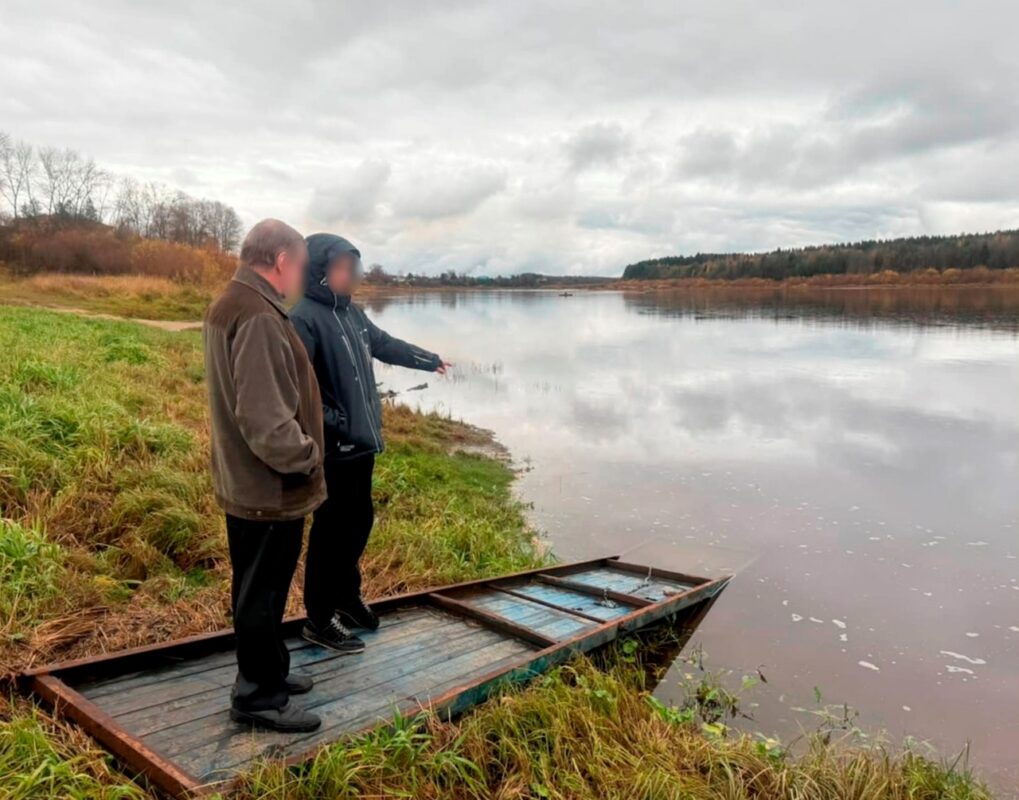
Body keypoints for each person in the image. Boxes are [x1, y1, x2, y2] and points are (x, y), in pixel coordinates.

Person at [291, 234, 451, 652]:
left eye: (355, 267)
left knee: (358, 524)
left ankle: (345, 599)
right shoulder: (304, 319)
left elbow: (383, 345)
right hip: (334, 450)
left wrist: (429, 359)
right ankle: (319, 618)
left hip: (361, 447)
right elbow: (297, 392)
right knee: (330, 532)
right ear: (322, 271)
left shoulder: (352, 315)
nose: (354, 276)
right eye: (346, 267)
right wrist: (338, 424)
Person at [203, 219, 326, 733]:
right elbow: (264, 422)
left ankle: (269, 670)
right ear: (280, 261)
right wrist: (310, 456)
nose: (302, 276)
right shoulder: (256, 315)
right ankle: (259, 696)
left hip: (250, 483)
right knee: (261, 593)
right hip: (268, 489)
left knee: (260, 588)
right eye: (300, 265)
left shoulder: (237, 303)